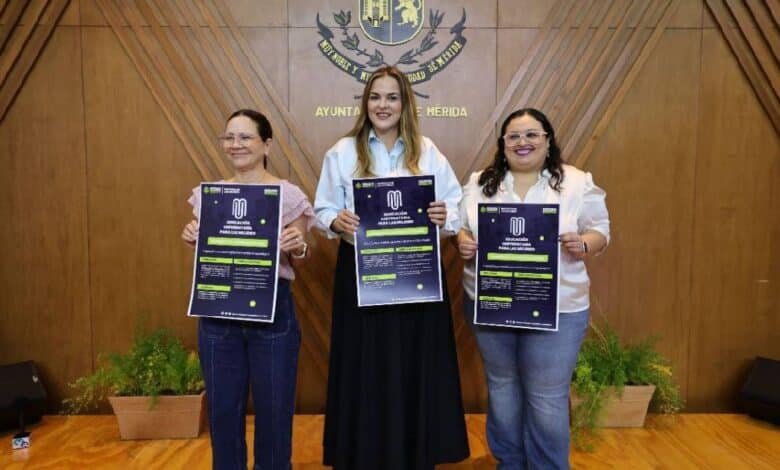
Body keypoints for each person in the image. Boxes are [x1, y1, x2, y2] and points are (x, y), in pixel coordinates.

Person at [314, 66, 470, 469]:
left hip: (416, 272)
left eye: (392, 97)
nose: (383, 105)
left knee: (414, 363)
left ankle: (415, 454)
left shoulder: (428, 151)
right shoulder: (343, 152)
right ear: (366, 103)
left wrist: (444, 213)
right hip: (361, 272)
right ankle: (363, 454)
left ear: (405, 104)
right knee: (365, 362)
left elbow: (457, 207)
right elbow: (322, 210)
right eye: (375, 97)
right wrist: (336, 221)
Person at [457, 108, 610, 469]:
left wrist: (583, 244)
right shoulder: (480, 182)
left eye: (531, 135)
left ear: (548, 140)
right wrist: (462, 243)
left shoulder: (575, 181)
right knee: (502, 387)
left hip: (559, 307)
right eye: (513, 136)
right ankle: (509, 463)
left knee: (546, 397)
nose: (522, 143)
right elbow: (461, 229)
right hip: (490, 302)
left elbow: (601, 231)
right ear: (503, 144)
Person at [181, 109, 314, 470]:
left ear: (266, 143)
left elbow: (300, 260)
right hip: (218, 314)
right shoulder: (209, 195)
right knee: (223, 411)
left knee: (274, 409)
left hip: (272, 314)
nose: (235, 145)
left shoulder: (288, 196)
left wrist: (296, 244)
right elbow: (210, 251)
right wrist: (194, 238)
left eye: (244, 137)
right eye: (229, 137)